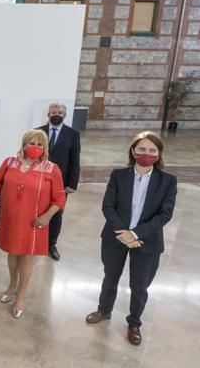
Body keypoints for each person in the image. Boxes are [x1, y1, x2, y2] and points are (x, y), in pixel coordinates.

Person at [86, 131, 177, 347]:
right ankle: (104, 310)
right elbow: (108, 205)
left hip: (147, 241)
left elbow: (165, 214)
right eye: (142, 149)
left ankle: (134, 323)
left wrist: (135, 234)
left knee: (139, 286)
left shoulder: (168, 181)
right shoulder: (118, 175)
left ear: (159, 154)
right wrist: (124, 233)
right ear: (133, 151)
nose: (146, 153)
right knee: (110, 277)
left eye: (152, 150)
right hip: (115, 236)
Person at [0, 129, 66, 318]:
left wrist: (47, 217)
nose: (35, 147)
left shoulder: (52, 169)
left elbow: (59, 199)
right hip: (10, 219)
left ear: (45, 147)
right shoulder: (9, 163)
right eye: (31, 143)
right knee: (12, 253)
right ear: (24, 145)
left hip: (34, 222)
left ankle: (21, 296)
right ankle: (12, 285)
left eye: (39, 144)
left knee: (27, 257)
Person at [37, 102, 81, 261]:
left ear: (65, 115)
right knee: (37, 210)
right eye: (53, 112)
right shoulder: (37, 132)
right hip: (39, 180)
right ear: (48, 114)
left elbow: (75, 160)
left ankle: (51, 244)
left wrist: (72, 184)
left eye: (60, 112)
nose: (56, 115)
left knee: (56, 214)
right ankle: (36, 240)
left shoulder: (73, 134)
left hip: (60, 183)